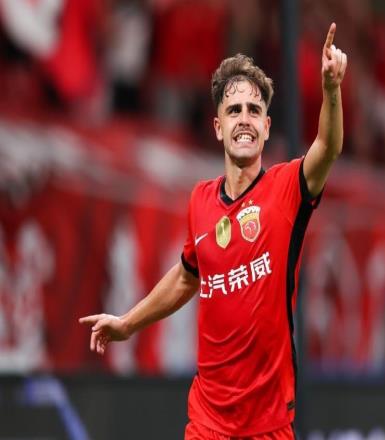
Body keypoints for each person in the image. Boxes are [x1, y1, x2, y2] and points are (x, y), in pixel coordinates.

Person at [80, 22, 347, 440]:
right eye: (234, 110)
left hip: (268, 424)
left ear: (267, 127)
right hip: (208, 423)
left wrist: (331, 89)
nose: (244, 119)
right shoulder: (200, 200)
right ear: (219, 127)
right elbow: (188, 275)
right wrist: (128, 323)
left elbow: (328, 147)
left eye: (254, 110)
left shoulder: (286, 189)